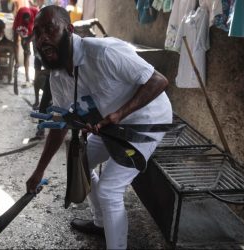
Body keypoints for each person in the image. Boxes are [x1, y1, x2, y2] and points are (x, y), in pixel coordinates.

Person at [26, 6, 172, 249]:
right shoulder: (58, 76)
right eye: (37, 33)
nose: (42, 39)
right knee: (80, 165)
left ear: (69, 30)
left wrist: (120, 113)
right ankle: (101, 223)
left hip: (147, 119)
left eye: (50, 29)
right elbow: (60, 125)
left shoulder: (104, 52)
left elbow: (158, 81)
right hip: (111, 123)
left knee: (109, 190)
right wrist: (39, 170)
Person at [13, 6, 39, 84]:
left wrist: (29, 41)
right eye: (25, 20)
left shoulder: (36, 14)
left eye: (28, 20)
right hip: (25, 33)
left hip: (36, 33)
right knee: (26, 53)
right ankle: (27, 77)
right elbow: (15, 43)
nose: (27, 21)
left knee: (37, 55)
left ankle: (36, 78)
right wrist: (16, 61)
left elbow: (36, 31)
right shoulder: (17, 23)